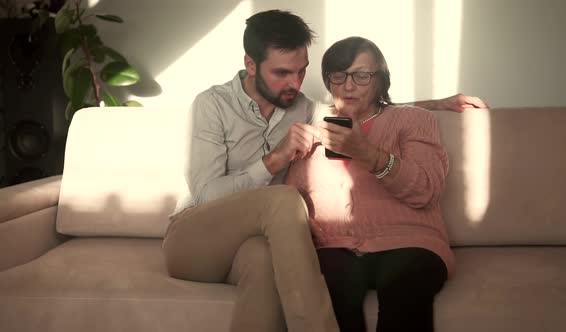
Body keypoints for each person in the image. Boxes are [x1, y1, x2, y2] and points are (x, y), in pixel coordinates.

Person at [163, 10, 481, 332]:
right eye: (282, 73)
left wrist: (439, 103)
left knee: (264, 263)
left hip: (255, 241)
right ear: (250, 64)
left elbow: (366, 105)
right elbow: (205, 197)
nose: (294, 83)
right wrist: (276, 159)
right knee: (284, 199)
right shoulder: (212, 105)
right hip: (196, 237)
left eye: (301, 72)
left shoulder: (301, 106)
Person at [285, 36, 454, 332]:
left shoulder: (413, 119)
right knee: (325, 291)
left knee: (406, 287)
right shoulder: (314, 124)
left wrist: (368, 154)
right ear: (328, 80)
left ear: (380, 80)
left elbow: (426, 190)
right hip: (334, 244)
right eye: (339, 76)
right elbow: (291, 197)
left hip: (410, 241)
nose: (348, 86)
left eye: (361, 76)